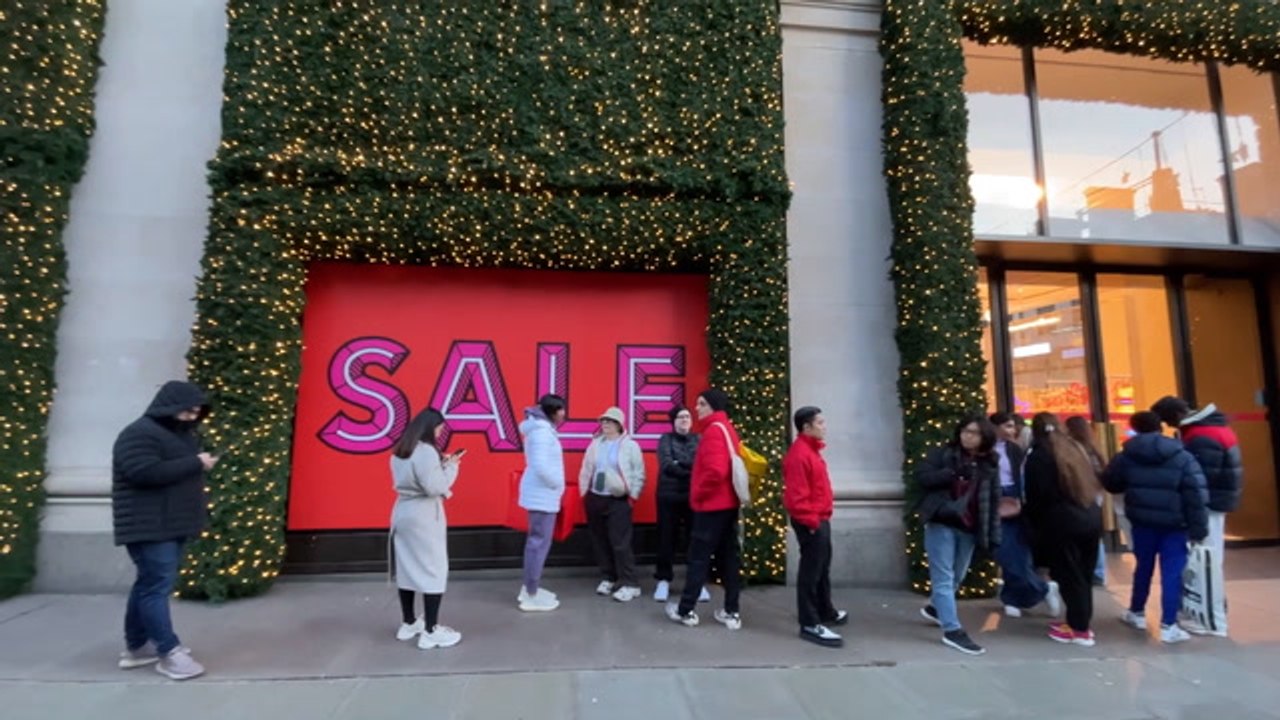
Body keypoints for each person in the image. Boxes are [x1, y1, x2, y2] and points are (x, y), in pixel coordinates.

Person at [111, 380, 217, 680]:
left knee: (148, 584)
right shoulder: (139, 433)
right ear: (170, 406)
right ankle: (169, 652)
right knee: (155, 586)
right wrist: (195, 463)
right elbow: (143, 472)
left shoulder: (177, 434)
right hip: (149, 525)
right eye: (187, 411)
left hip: (168, 523)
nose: (192, 417)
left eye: (196, 412)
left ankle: (137, 647)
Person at [1102, 411, 1208, 644]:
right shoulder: (1181, 456)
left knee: (1143, 567)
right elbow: (1196, 494)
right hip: (1175, 524)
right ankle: (1169, 623)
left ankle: (1137, 611)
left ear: (1135, 428)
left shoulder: (1126, 455)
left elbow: (1111, 482)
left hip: (1142, 521)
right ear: (1160, 426)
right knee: (1172, 572)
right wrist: (1199, 528)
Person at [914, 414, 1002, 656]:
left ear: (984, 437)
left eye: (974, 433)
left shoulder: (989, 463)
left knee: (958, 576)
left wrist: (993, 534)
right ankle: (952, 631)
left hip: (970, 526)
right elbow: (922, 477)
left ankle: (935, 608)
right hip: (941, 521)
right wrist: (951, 474)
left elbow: (994, 500)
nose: (968, 437)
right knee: (943, 578)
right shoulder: (944, 454)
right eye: (965, 431)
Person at [666, 388, 744, 631]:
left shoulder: (712, 432)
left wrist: (698, 494)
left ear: (713, 406)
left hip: (711, 506)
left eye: (701, 404)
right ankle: (731, 611)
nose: (696, 408)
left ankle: (685, 610)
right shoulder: (727, 428)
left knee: (698, 558)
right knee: (729, 559)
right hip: (728, 504)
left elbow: (715, 472)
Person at [1023, 413, 1103, 647]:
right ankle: (1081, 623)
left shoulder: (1038, 456)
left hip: (1061, 522)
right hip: (1089, 516)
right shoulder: (1073, 449)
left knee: (1070, 576)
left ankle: (1079, 629)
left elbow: (1037, 496)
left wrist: (1033, 524)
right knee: (1084, 575)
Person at [389, 408, 462, 650]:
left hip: (402, 511)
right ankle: (431, 630)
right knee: (434, 569)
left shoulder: (402, 449)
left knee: (406, 568)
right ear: (431, 427)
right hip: (424, 515)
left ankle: (409, 622)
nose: (440, 433)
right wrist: (451, 467)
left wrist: (439, 466)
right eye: (440, 428)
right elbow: (434, 487)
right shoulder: (427, 452)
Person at [783, 406, 848, 648]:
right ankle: (810, 622)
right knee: (811, 572)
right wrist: (812, 522)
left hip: (819, 518)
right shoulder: (799, 455)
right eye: (820, 423)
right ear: (806, 427)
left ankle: (824, 610)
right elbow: (796, 497)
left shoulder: (810, 450)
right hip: (812, 521)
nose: (824, 427)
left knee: (821, 568)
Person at [1178, 402, 1243, 637]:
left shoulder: (1201, 436)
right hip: (1218, 502)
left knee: (1206, 560)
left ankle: (1210, 617)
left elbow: (1200, 478)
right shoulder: (1219, 430)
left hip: (1208, 505)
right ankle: (1214, 612)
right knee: (1211, 557)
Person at [988, 411, 1059, 620]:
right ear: (995, 427)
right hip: (993, 498)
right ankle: (1042, 589)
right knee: (1003, 550)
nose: (1012, 431)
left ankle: (1012, 598)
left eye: (1013, 426)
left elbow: (1022, 476)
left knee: (1017, 549)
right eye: (1008, 426)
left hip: (1015, 498)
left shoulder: (1014, 449)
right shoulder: (985, 449)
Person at [579, 406, 646, 602]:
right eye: (603, 421)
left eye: (610, 421)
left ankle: (630, 583)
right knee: (599, 540)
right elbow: (586, 469)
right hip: (595, 497)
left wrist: (632, 496)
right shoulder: (595, 444)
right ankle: (609, 577)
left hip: (618, 499)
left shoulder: (630, 446)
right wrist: (584, 493)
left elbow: (639, 473)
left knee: (620, 543)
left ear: (619, 424)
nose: (605, 424)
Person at [653, 405, 709, 604]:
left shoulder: (699, 439)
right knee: (666, 539)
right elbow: (667, 464)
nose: (684, 420)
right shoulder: (665, 439)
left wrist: (681, 464)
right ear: (673, 421)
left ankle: (697, 582)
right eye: (680, 417)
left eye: (687, 416)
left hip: (693, 497)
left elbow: (703, 464)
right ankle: (663, 580)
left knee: (695, 540)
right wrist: (691, 470)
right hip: (668, 496)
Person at [517, 394, 567, 612]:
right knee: (538, 544)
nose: (563, 414)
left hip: (543, 495)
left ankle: (531, 588)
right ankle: (530, 593)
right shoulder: (541, 433)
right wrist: (557, 483)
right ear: (552, 412)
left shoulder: (541, 430)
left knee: (538, 543)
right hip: (542, 496)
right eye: (560, 409)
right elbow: (540, 465)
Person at [1064, 415, 1110, 587]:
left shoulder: (1072, 449)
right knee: (1094, 533)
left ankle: (1090, 570)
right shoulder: (1094, 450)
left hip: (1079, 494)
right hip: (1095, 495)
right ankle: (1097, 571)